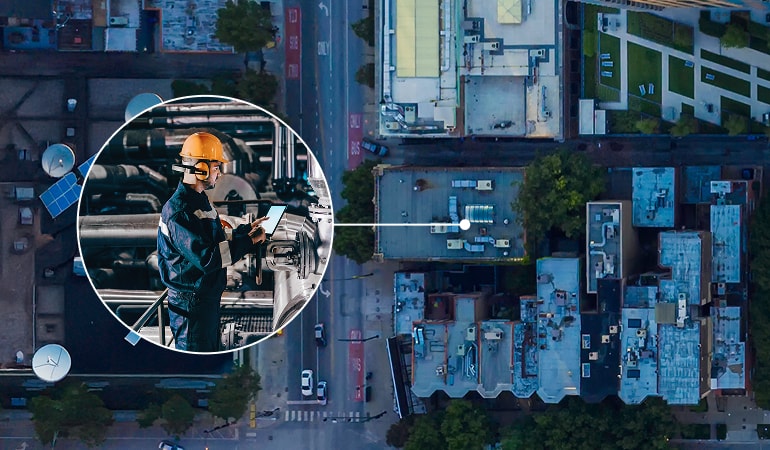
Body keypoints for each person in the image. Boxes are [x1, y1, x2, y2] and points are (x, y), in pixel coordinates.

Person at [157, 132, 267, 352]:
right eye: (216, 167)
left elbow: (215, 240)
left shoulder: (197, 201)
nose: (219, 173)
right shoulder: (181, 212)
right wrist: (249, 242)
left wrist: (246, 231)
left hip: (203, 300)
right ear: (201, 169)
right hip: (191, 307)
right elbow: (208, 258)